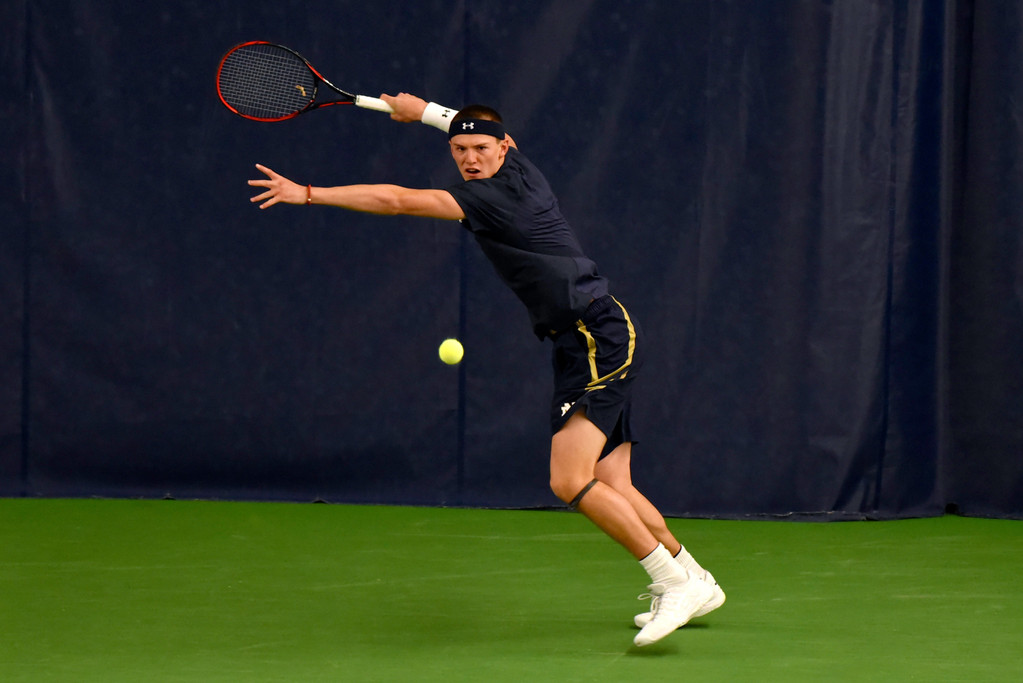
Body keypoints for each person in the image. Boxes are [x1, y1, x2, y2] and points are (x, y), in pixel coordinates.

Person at [247, 93, 725, 647]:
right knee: (613, 482)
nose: (470, 159)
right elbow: (465, 124)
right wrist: (424, 111)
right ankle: (695, 578)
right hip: (587, 336)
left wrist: (308, 193)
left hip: (596, 337)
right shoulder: (520, 165)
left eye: (481, 149)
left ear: (504, 147)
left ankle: (671, 583)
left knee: (569, 479)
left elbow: (397, 200)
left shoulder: (490, 197)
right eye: (460, 150)